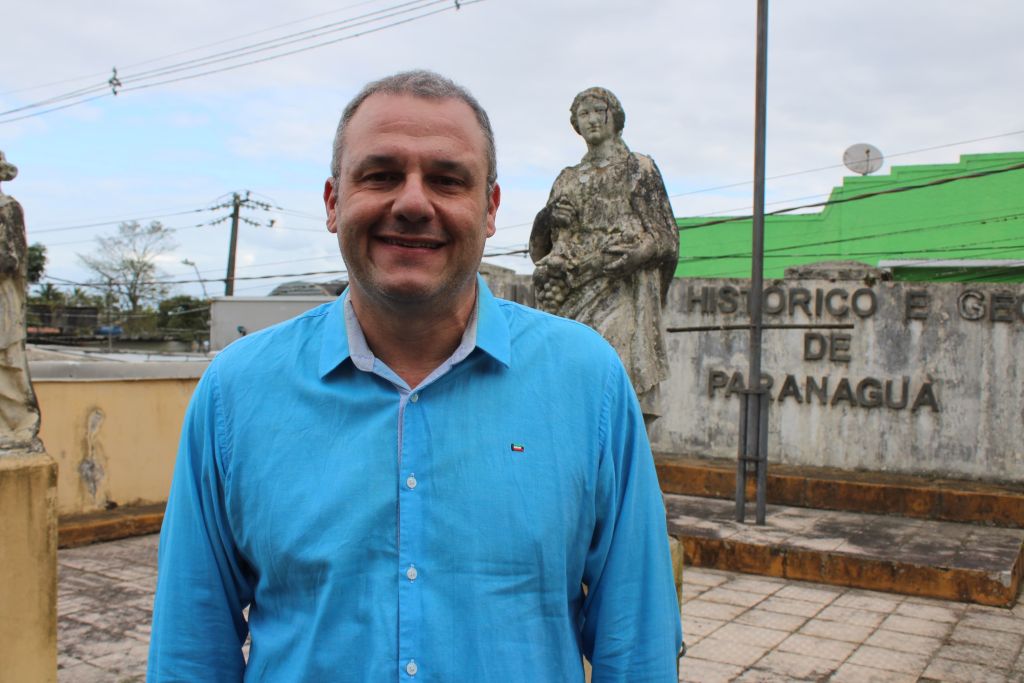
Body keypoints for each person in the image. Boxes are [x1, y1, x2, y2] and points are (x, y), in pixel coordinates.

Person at [148, 70, 681, 682]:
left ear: (490, 209)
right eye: (380, 175)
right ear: (332, 202)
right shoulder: (234, 394)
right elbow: (190, 651)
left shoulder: (588, 383)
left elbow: (637, 645)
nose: (411, 203)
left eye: (447, 180)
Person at [530, 88, 679, 423]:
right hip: (572, 294)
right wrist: (547, 217)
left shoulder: (638, 168)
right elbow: (540, 253)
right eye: (584, 114)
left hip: (620, 291)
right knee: (571, 390)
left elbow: (665, 238)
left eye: (599, 110)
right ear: (576, 124)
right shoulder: (567, 178)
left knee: (616, 388)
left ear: (615, 117)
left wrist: (636, 254)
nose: (593, 119)